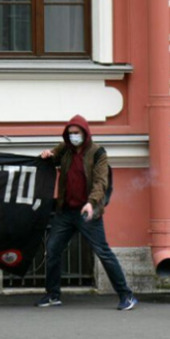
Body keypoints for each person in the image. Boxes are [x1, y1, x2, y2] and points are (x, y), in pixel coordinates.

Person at [37, 115, 138, 311]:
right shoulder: (65, 148)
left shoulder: (97, 153)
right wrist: (47, 154)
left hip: (87, 212)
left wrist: (91, 203)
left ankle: (126, 296)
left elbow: (101, 182)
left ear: (85, 133)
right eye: (70, 133)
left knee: (103, 252)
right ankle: (53, 295)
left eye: (77, 133)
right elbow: (52, 155)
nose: (73, 136)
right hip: (65, 211)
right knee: (53, 250)